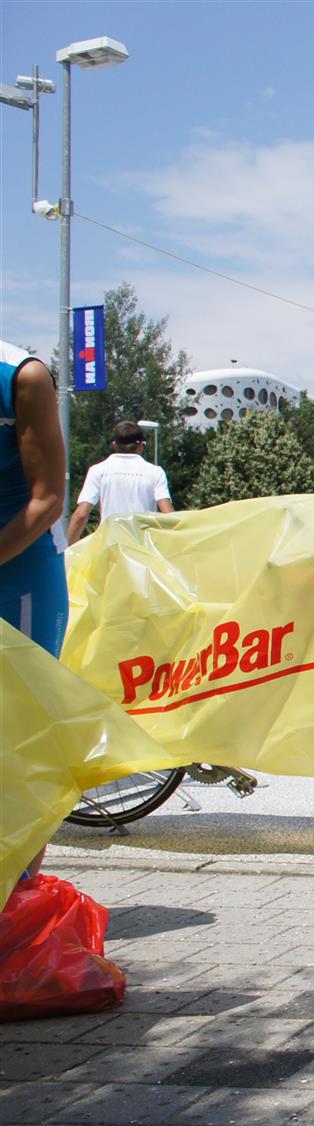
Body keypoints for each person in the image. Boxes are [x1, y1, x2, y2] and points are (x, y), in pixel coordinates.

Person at [2, 354, 69, 892]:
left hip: (20, 572)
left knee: (22, 740)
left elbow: (48, 499)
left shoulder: (23, 377)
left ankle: (17, 896)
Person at [67, 419, 173, 543]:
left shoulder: (98, 470)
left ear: (114, 445)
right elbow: (168, 515)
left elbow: (81, 515)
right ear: (141, 446)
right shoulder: (155, 472)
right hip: (143, 545)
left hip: (110, 544)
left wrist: (69, 546)